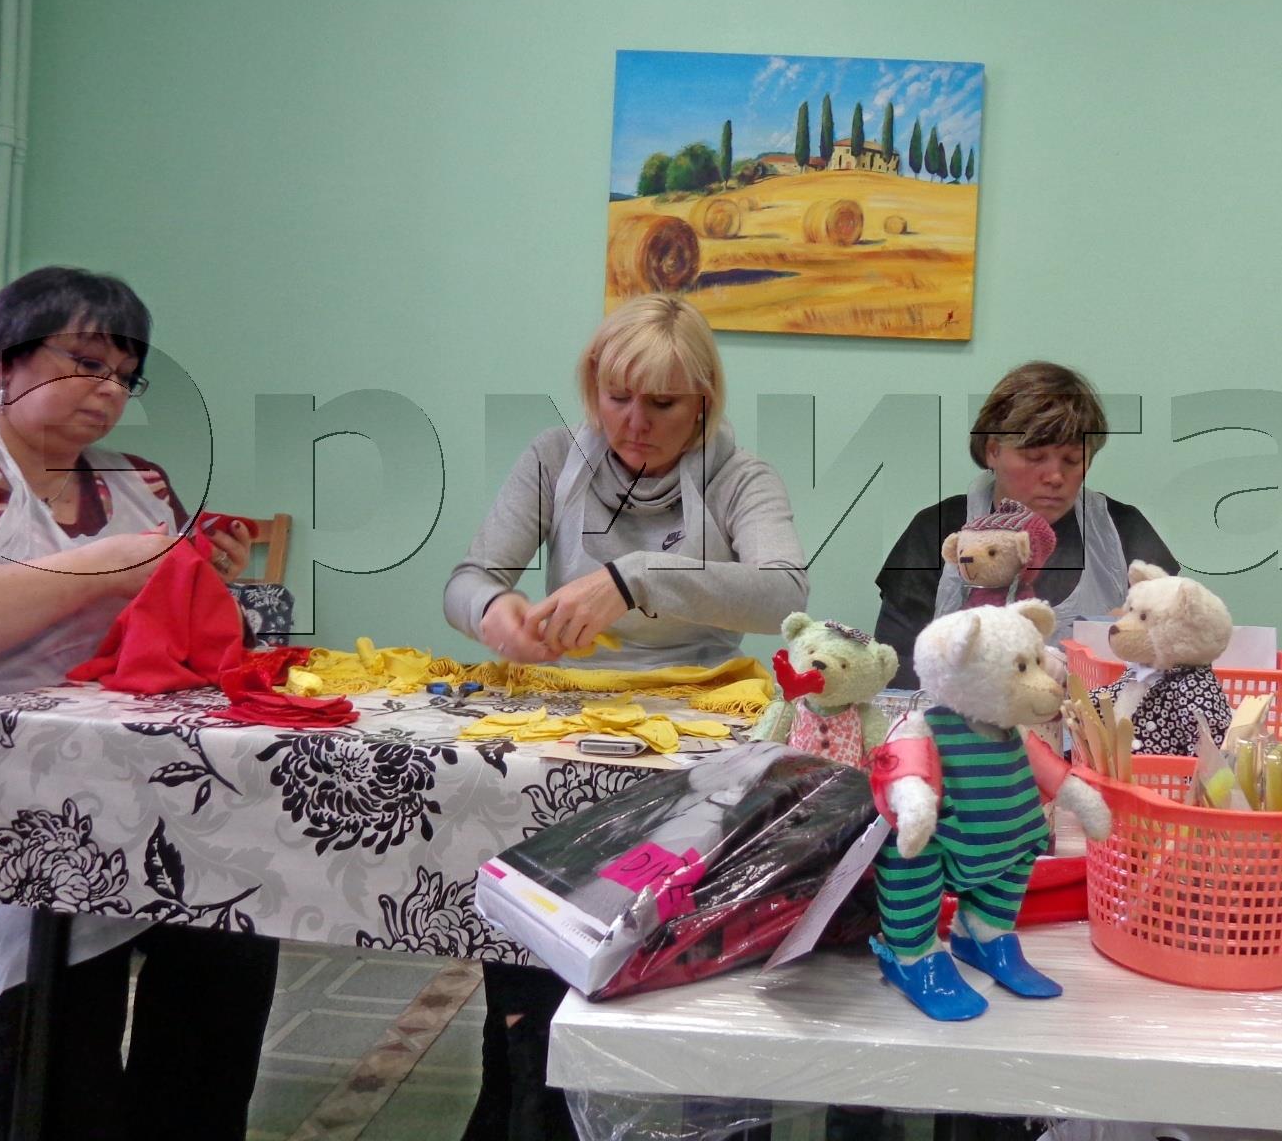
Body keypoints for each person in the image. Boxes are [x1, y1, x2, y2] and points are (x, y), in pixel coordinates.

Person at [445, 293, 807, 1140]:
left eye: (662, 404)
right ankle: (529, 1097)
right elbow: (468, 578)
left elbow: (785, 592)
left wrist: (635, 578)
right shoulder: (551, 459)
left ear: (703, 401)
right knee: (533, 931)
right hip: (568, 719)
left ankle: (707, 1109)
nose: (633, 423)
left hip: (699, 726)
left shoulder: (742, 477)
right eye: (616, 397)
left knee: (686, 940)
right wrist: (494, 612)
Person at [0, 267, 277, 1141]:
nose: (109, 390)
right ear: (1, 359)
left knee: (237, 915)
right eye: (86, 362)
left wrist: (198, 580)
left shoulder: (136, 483)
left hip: (119, 774)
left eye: (125, 376)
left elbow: (179, 638)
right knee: (55, 977)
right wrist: (103, 567)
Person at [873, 360, 1176, 688]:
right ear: (993, 451)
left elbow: (1178, 655)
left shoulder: (1125, 533)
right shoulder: (935, 531)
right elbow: (896, 671)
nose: (1055, 477)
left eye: (1073, 460)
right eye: (1034, 457)